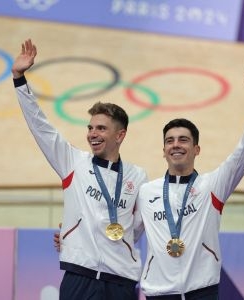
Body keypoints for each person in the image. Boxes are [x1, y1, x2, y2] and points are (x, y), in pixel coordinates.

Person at [12, 39, 148, 300]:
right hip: (78, 277)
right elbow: (40, 126)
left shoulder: (137, 176)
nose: (92, 134)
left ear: (120, 135)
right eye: (90, 128)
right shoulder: (72, 162)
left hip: (120, 280)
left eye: (101, 128)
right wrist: (19, 79)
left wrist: (96, 232)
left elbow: (137, 227)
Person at [137, 57, 244, 299]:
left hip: (202, 292)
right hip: (159, 294)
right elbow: (122, 231)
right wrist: (73, 240)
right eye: (170, 140)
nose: (176, 145)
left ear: (197, 149)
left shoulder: (213, 186)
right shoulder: (146, 191)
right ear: (163, 150)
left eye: (183, 140)